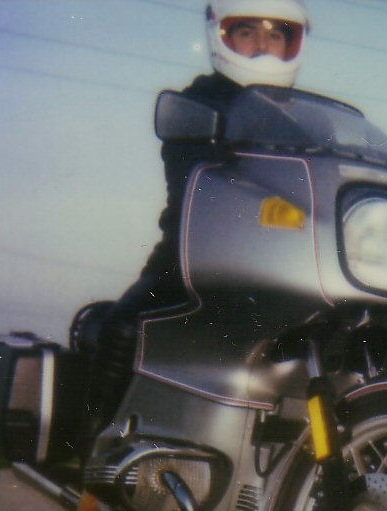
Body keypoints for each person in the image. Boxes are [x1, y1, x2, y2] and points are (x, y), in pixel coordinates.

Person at [85, 0, 310, 440]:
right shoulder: (198, 102)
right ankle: (94, 455)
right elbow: (190, 174)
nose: (263, 44)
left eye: (276, 34)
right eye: (247, 32)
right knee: (125, 330)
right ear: (222, 37)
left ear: (293, 44)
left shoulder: (303, 118)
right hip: (194, 256)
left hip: (285, 264)